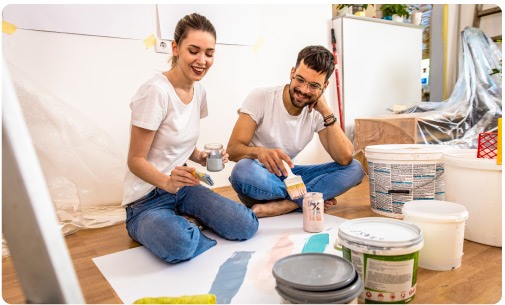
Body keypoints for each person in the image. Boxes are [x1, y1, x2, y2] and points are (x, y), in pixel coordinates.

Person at [122, 13, 258, 263]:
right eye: (193, 51)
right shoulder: (155, 92)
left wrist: (201, 157)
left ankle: (185, 223)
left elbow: (180, 142)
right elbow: (135, 160)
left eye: (209, 53)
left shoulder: (199, 91)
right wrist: (166, 183)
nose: (202, 60)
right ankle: (170, 227)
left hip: (184, 189)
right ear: (175, 48)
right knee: (180, 244)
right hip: (146, 200)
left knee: (245, 225)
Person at [227, 45, 364, 218]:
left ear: (325, 86)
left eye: (314, 85)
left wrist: (326, 111)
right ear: (292, 72)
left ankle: (287, 205)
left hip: (291, 176)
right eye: (300, 80)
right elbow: (232, 150)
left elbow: (344, 158)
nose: (304, 90)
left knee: (355, 168)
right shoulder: (261, 97)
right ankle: (309, 198)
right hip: (260, 180)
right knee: (242, 171)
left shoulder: (318, 110)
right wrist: (260, 152)